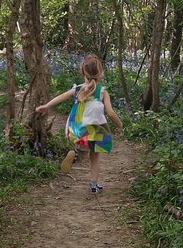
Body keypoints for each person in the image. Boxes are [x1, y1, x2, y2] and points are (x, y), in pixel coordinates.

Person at [36, 54, 124, 194]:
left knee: (83, 148)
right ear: (100, 73)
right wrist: (120, 125)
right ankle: (93, 185)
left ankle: (76, 155)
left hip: (78, 126)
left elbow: (61, 97)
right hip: (96, 127)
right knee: (95, 156)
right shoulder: (102, 91)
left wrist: (46, 106)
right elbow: (111, 113)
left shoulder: (77, 89)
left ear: (83, 72)